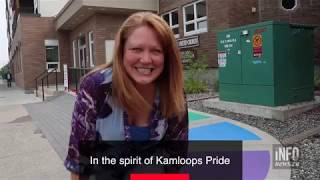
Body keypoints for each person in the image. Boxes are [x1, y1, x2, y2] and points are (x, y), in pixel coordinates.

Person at [64, 12, 188, 179]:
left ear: (166, 57)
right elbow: (78, 161)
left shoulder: (173, 91)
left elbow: (175, 158)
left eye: (156, 51)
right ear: (121, 51)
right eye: (136, 49)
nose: (146, 59)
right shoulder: (95, 87)